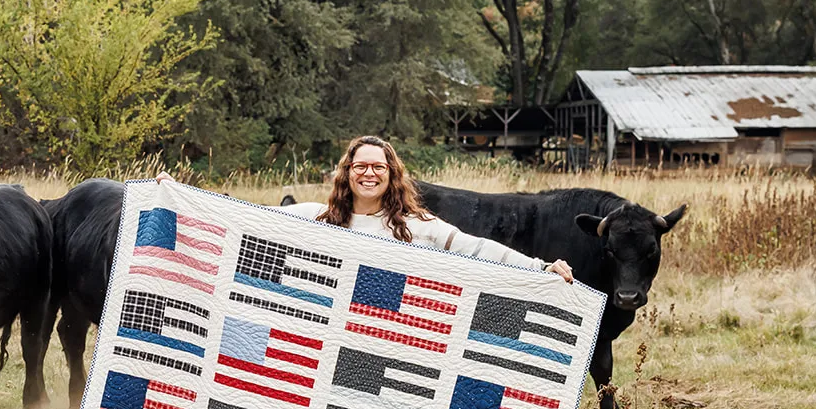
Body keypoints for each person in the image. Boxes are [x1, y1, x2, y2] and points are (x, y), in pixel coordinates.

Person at [160, 135, 574, 282]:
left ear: (392, 175)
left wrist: (540, 268)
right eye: (361, 166)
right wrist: (184, 197)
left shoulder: (417, 227)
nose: (369, 174)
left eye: (379, 167)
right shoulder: (314, 218)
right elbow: (247, 217)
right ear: (348, 173)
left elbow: (477, 249)